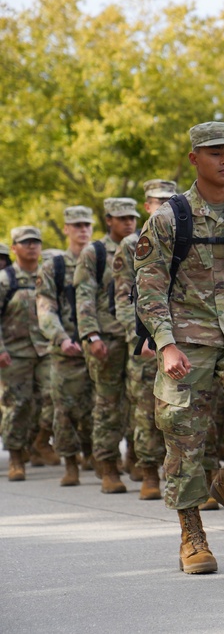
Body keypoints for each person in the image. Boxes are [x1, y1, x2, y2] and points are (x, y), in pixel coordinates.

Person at [134, 121, 224, 574]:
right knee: (183, 437)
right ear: (195, 158)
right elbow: (149, 287)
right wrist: (165, 344)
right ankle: (192, 535)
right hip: (185, 339)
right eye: (216, 153)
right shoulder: (168, 219)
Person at [113, 180, 178, 500]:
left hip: (182, 335)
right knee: (144, 408)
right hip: (146, 338)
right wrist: (139, 339)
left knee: (182, 409)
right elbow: (124, 296)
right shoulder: (130, 244)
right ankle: (149, 471)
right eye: (158, 201)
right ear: (146, 206)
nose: (164, 205)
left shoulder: (185, 232)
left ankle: (183, 471)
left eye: (171, 199)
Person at [75, 197, 139, 493]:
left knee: (141, 402)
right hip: (107, 338)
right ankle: (108, 467)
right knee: (109, 404)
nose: (128, 222)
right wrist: (91, 335)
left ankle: (138, 458)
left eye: (132, 217)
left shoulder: (143, 245)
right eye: (121, 217)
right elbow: (84, 294)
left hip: (137, 336)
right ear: (109, 219)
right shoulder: (95, 252)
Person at [37, 206, 95, 487]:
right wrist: (61, 338)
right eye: (76, 225)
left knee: (105, 407)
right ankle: (70, 463)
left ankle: (98, 455)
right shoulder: (54, 266)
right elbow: (45, 307)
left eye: (86, 224)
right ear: (66, 228)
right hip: (67, 349)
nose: (82, 229)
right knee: (66, 409)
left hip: (101, 347)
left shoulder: (102, 259)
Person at [0, 227, 48, 480]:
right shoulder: (5, 279)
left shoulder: (48, 274)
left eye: (36, 242)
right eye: (26, 242)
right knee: (16, 405)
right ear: (14, 247)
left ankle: (40, 442)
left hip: (46, 350)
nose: (32, 246)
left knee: (54, 399)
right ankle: (17, 458)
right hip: (14, 353)